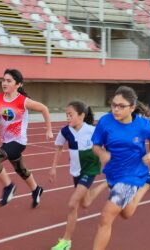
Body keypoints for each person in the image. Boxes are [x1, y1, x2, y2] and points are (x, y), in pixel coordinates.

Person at [91, 86, 150, 250]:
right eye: (113, 105)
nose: (116, 109)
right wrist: (101, 153)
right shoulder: (105, 121)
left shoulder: (142, 124)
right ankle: (146, 185)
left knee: (106, 217)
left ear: (132, 107)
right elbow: (95, 145)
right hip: (113, 173)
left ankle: (143, 181)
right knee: (126, 214)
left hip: (133, 174)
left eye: (121, 106)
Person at [0, 68, 53, 208]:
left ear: (18, 84)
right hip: (6, 142)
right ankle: (36, 189)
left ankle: (9, 186)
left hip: (18, 142)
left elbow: (44, 108)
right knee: (21, 170)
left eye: (9, 81)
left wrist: (49, 130)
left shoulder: (23, 101)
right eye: (3, 80)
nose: (4, 83)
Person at [49, 101, 108, 250]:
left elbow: (104, 147)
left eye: (71, 114)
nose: (68, 117)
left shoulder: (92, 130)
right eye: (66, 115)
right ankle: (106, 183)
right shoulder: (65, 132)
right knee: (85, 203)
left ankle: (66, 241)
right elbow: (59, 148)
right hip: (76, 170)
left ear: (81, 115)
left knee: (72, 204)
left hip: (90, 168)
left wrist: (103, 162)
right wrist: (53, 168)